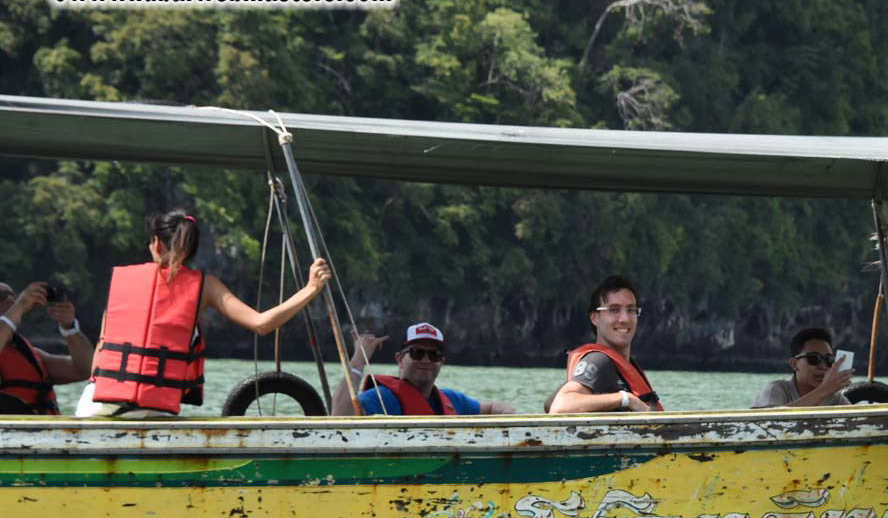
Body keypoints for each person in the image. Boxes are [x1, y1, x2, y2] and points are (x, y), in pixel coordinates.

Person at [79, 210, 330, 417]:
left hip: (96, 406)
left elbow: (101, 350)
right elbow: (261, 323)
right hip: (153, 410)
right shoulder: (205, 285)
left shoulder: (122, 281)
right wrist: (310, 289)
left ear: (156, 243)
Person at [331, 322, 516, 416]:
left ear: (441, 362)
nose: (426, 360)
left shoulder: (453, 400)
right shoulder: (380, 398)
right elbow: (340, 416)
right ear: (400, 360)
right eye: (417, 353)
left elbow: (494, 408)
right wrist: (358, 360)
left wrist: (510, 421)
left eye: (433, 355)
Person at [548, 275, 662, 414]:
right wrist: (625, 399)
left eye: (631, 310)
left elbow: (549, 403)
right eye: (614, 310)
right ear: (595, 318)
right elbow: (560, 406)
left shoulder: (621, 365)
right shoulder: (598, 360)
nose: (624, 319)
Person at [0, 280, 94, 414]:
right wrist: (20, 306)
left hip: (47, 433)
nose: (10, 300)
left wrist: (69, 328)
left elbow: (86, 370)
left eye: (12, 295)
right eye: (1, 296)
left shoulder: (32, 355)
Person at [751, 326, 852, 408]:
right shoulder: (776, 390)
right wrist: (824, 390)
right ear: (794, 364)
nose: (823, 366)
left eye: (828, 360)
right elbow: (770, 420)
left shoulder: (835, 399)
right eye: (814, 358)